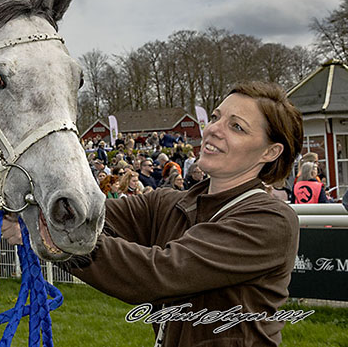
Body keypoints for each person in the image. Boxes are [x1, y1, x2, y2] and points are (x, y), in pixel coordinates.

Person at [62, 81, 303, 346]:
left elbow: (159, 274)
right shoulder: (170, 203)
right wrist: (29, 214)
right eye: (215, 117)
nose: (213, 130)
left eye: (236, 127)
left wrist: (58, 237)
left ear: (270, 152)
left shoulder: (271, 221)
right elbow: (87, 214)